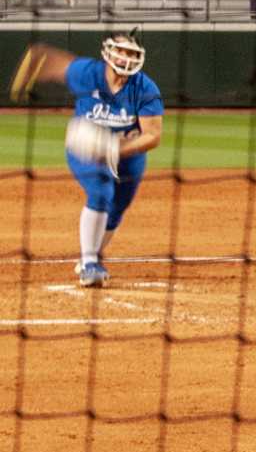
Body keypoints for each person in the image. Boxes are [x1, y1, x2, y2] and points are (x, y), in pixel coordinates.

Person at [11, 34, 161, 288]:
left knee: (117, 209)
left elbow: (153, 136)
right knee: (101, 190)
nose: (126, 58)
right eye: (121, 52)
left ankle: (90, 255)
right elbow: (52, 61)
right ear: (109, 53)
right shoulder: (87, 73)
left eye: (132, 54)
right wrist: (33, 69)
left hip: (128, 155)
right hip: (85, 149)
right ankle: (90, 263)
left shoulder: (145, 87)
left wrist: (113, 148)